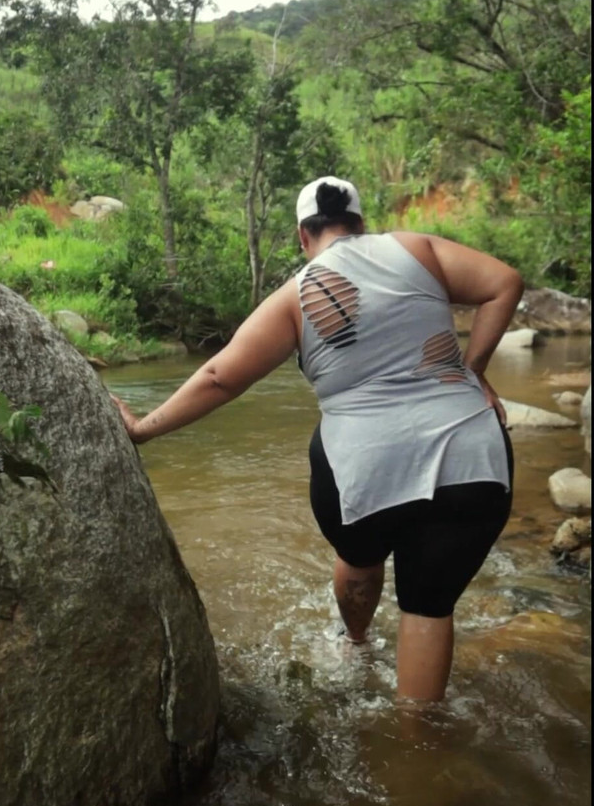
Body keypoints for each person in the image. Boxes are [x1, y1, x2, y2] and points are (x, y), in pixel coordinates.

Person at [111, 176, 522, 703]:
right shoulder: (418, 249)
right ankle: (418, 754)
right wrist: (475, 370)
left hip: (365, 467)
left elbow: (220, 378)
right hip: (474, 457)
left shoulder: (295, 295)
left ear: (303, 236)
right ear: (361, 224)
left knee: (360, 552)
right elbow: (505, 282)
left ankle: (354, 643)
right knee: (428, 606)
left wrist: (143, 428)